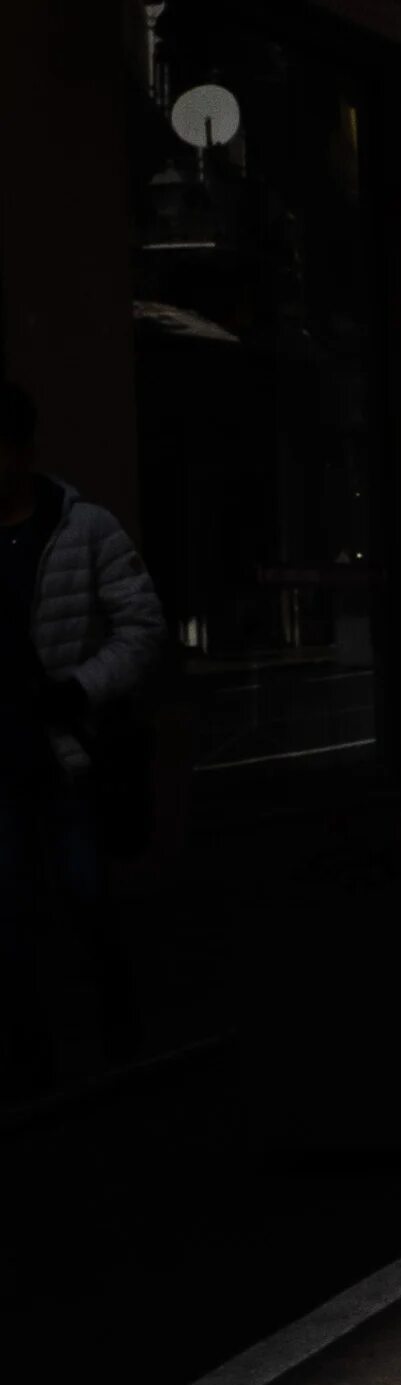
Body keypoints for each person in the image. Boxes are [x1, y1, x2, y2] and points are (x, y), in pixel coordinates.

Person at [1, 380, 164, 1096]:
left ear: (22, 451)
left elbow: (143, 628)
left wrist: (80, 688)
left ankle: (115, 1022)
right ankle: (33, 1049)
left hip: (64, 746)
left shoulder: (82, 527)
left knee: (83, 889)